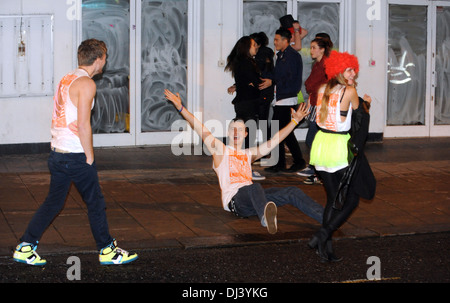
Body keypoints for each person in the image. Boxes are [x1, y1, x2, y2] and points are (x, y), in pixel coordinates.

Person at [13, 39, 138, 266]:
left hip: (57, 153)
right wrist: (89, 157)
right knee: (96, 202)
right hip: (74, 154)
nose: (106, 62)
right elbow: (83, 125)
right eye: (105, 57)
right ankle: (108, 251)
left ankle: (25, 246)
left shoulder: (67, 78)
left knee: (53, 203)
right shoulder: (87, 84)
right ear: (98, 59)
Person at [164, 89, 323, 235]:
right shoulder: (221, 151)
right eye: (232, 129)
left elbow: (275, 140)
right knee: (253, 187)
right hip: (237, 202)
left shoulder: (249, 153)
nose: (235, 132)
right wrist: (181, 108)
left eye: (239, 130)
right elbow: (202, 129)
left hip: (255, 198)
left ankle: (326, 218)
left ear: (245, 134)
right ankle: (264, 217)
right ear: (228, 132)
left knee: (292, 192)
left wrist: (295, 122)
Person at [307, 50, 375, 262]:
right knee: (351, 200)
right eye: (348, 69)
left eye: (354, 69)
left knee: (333, 198)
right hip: (338, 147)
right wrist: (367, 105)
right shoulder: (350, 91)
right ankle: (323, 234)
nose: (353, 73)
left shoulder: (321, 89)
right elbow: (359, 120)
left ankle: (325, 250)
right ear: (338, 70)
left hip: (320, 146)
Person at [260, 28, 307, 173]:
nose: (274, 42)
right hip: (281, 98)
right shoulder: (281, 55)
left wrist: (272, 81)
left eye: (277, 39)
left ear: (286, 41)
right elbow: (277, 74)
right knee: (285, 132)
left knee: (277, 131)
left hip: (286, 98)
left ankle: (283, 163)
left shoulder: (291, 56)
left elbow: (288, 77)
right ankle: (294, 161)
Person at [225, 36, 265, 181]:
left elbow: (247, 82)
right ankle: (246, 168)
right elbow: (256, 82)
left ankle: (241, 167)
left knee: (243, 136)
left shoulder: (241, 63)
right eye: (254, 45)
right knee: (248, 136)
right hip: (248, 104)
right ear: (247, 47)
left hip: (243, 103)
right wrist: (262, 83)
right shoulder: (247, 63)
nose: (256, 47)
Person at [297, 33, 333, 185]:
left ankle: (319, 171)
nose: (311, 50)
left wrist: (314, 89)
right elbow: (310, 85)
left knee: (313, 139)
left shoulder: (326, 65)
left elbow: (317, 85)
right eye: (311, 47)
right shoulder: (317, 64)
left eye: (313, 48)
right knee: (314, 140)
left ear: (322, 50)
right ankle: (318, 170)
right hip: (315, 104)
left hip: (322, 106)